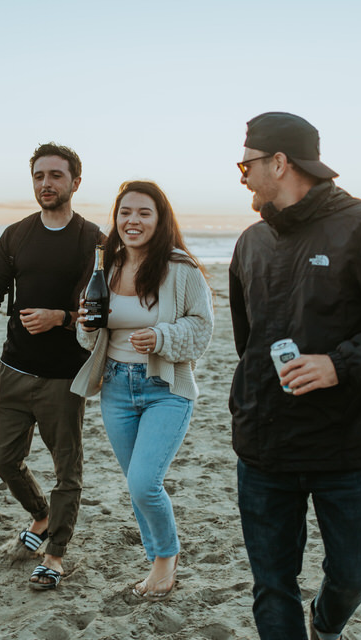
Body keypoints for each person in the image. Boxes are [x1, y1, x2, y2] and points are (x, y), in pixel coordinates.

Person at [228, 113, 361, 639]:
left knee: (354, 574)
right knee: (272, 586)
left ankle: (326, 625)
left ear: (280, 163)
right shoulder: (250, 243)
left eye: (246, 163)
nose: (242, 176)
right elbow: (248, 344)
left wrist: (338, 364)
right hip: (263, 447)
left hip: (345, 447)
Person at [0, 143, 103, 589]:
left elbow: (105, 310)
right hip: (14, 370)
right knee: (5, 460)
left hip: (65, 376)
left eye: (56, 176)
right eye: (39, 175)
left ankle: (56, 553)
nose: (46, 183)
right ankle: (41, 516)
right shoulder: (16, 235)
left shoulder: (93, 240)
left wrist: (61, 318)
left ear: (75, 183)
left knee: (68, 470)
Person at [72, 180, 213, 601]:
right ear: (116, 219)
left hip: (164, 388)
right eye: (125, 212)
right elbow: (89, 338)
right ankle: (157, 559)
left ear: (160, 219)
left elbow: (203, 329)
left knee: (143, 483)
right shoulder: (107, 267)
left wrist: (162, 337)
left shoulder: (181, 268)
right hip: (115, 386)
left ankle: (166, 560)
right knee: (137, 482)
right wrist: (85, 326)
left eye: (143, 213)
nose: (132, 221)